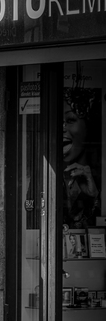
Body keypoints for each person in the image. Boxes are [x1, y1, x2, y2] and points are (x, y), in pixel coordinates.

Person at [63, 85, 101, 228]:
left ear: (88, 126)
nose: (62, 127)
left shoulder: (98, 178)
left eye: (70, 120)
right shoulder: (43, 175)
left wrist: (93, 196)